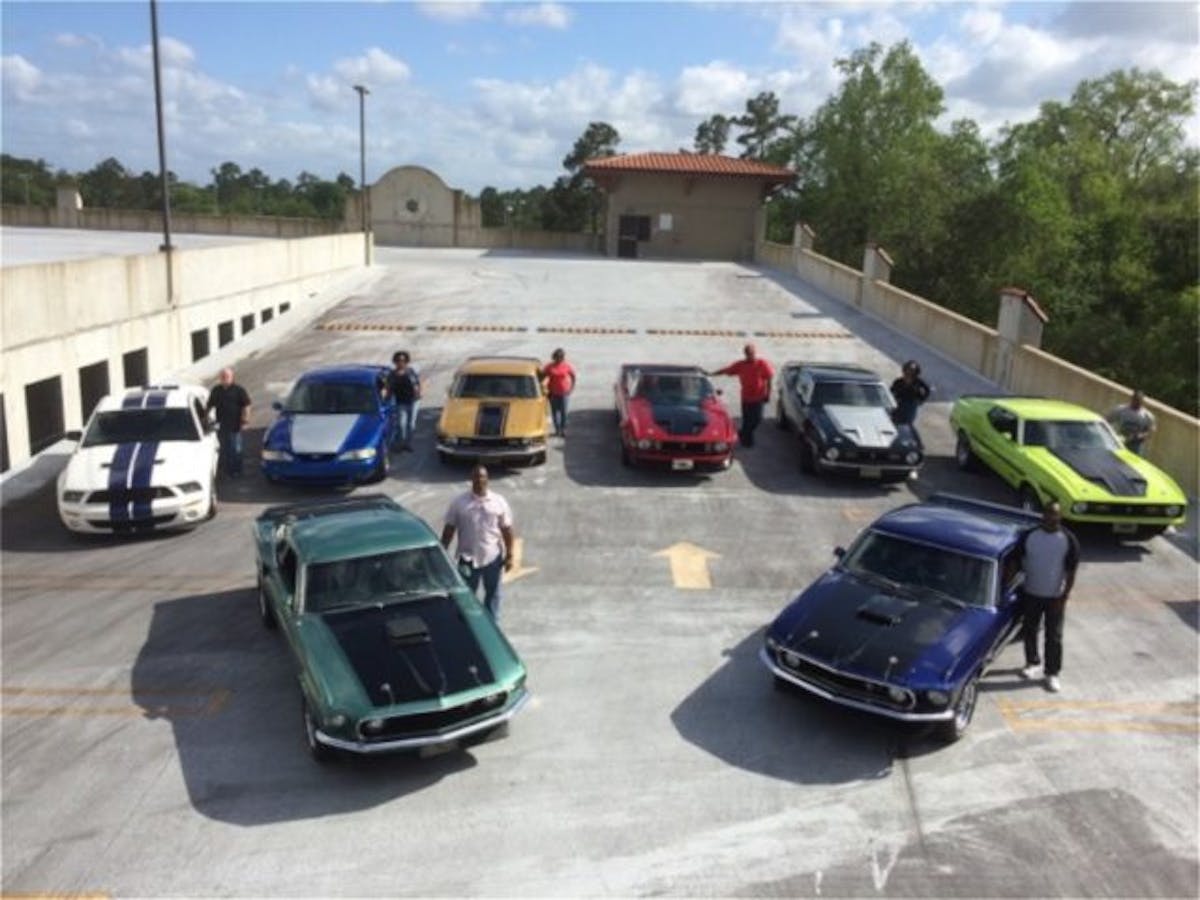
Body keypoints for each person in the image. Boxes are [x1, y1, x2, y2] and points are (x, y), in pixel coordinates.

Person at [1017, 501, 1080, 693]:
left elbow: (1071, 571)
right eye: (1048, 513)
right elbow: (1016, 562)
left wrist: (1064, 596)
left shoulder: (1068, 539)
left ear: (1060, 516)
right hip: (1031, 593)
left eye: (1055, 514)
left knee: (1054, 637)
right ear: (1042, 515)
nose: (1051, 517)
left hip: (1055, 597)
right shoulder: (1029, 536)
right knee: (1029, 630)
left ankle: (1052, 673)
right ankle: (1031, 662)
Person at [441, 464, 515, 619]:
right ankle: (470, 627)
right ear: (471, 479)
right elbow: (449, 529)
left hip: (492, 558)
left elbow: (507, 530)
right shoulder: (459, 503)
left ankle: (492, 628)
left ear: (487, 479)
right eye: (476, 477)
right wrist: (442, 552)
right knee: (467, 597)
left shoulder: (498, 501)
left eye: (482, 477)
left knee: (493, 596)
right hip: (467, 560)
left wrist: (510, 555)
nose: (479, 480)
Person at [710, 343, 774, 448]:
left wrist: (768, 394)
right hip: (746, 398)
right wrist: (712, 374)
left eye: (752, 353)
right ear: (745, 354)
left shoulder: (762, 363)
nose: (750, 355)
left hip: (759, 397)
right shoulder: (740, 365)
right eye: (748, 353)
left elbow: (769, 378)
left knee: (757, 419)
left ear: (755, 353)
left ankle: (743, 434)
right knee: (747, 420)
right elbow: (727, 370)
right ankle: (747, 441)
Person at [205, 367, 251, 477]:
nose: (225, 378)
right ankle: (228, 471)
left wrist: (245, 420)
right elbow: (209, 405)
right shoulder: (216, 390)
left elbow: (247, 405)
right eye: (222, 377)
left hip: (235, 425)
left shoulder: (239, 390)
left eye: (227, 376)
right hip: (221, 425)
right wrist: (204, 418)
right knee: (225, 449)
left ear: (232, 377)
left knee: (236, 449)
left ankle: (237, 471)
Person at [386, 350, 421, 451]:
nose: (401, 362)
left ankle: (408, 444)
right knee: (401, 424)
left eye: (403, 360)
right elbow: (389, 388)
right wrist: (387, 398)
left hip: (413, 401)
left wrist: (418, 392)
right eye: (398, 360)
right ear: (395, 362)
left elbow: (417, 384)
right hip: (400, 402)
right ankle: (401, 443)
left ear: (406, 361)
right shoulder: (392, 375)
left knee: (411, 425)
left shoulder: (410, 372)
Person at [890, 360, 931, 439]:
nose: (909, 372)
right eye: (908, 370)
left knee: (908, 423)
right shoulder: (898, 381)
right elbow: (891, 391)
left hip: (911, 405)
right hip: (899, 404)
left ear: (916, 372)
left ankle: (916, 441)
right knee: (895, 421)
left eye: (912, 371)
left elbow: (927, 390)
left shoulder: (918, 382)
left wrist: (921, 400)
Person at [1107, 389, 1155, 456]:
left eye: (1139, 400)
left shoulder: (1147, 415)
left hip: (1136, 447)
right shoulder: (1121, 410)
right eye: (1135, 399)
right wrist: (1112, 435)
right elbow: (1107, 421)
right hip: (1120, 442)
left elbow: (1150, 431)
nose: (1136, 402)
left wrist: (1140, 436)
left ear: (1142, 401)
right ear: (1132, 398)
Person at [541, 348, 577, 437]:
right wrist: (543, 388)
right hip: (553, 393)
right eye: (557, 357)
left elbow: (573, 376)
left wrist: (571, 387)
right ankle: (557, 429)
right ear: (554, 357)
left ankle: (563, 429)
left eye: (560, 357)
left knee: (564, 412)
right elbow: (542, 376)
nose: (558, 359)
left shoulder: (566, 366)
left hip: (564, 392)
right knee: (555, 412)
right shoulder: (549, 367)